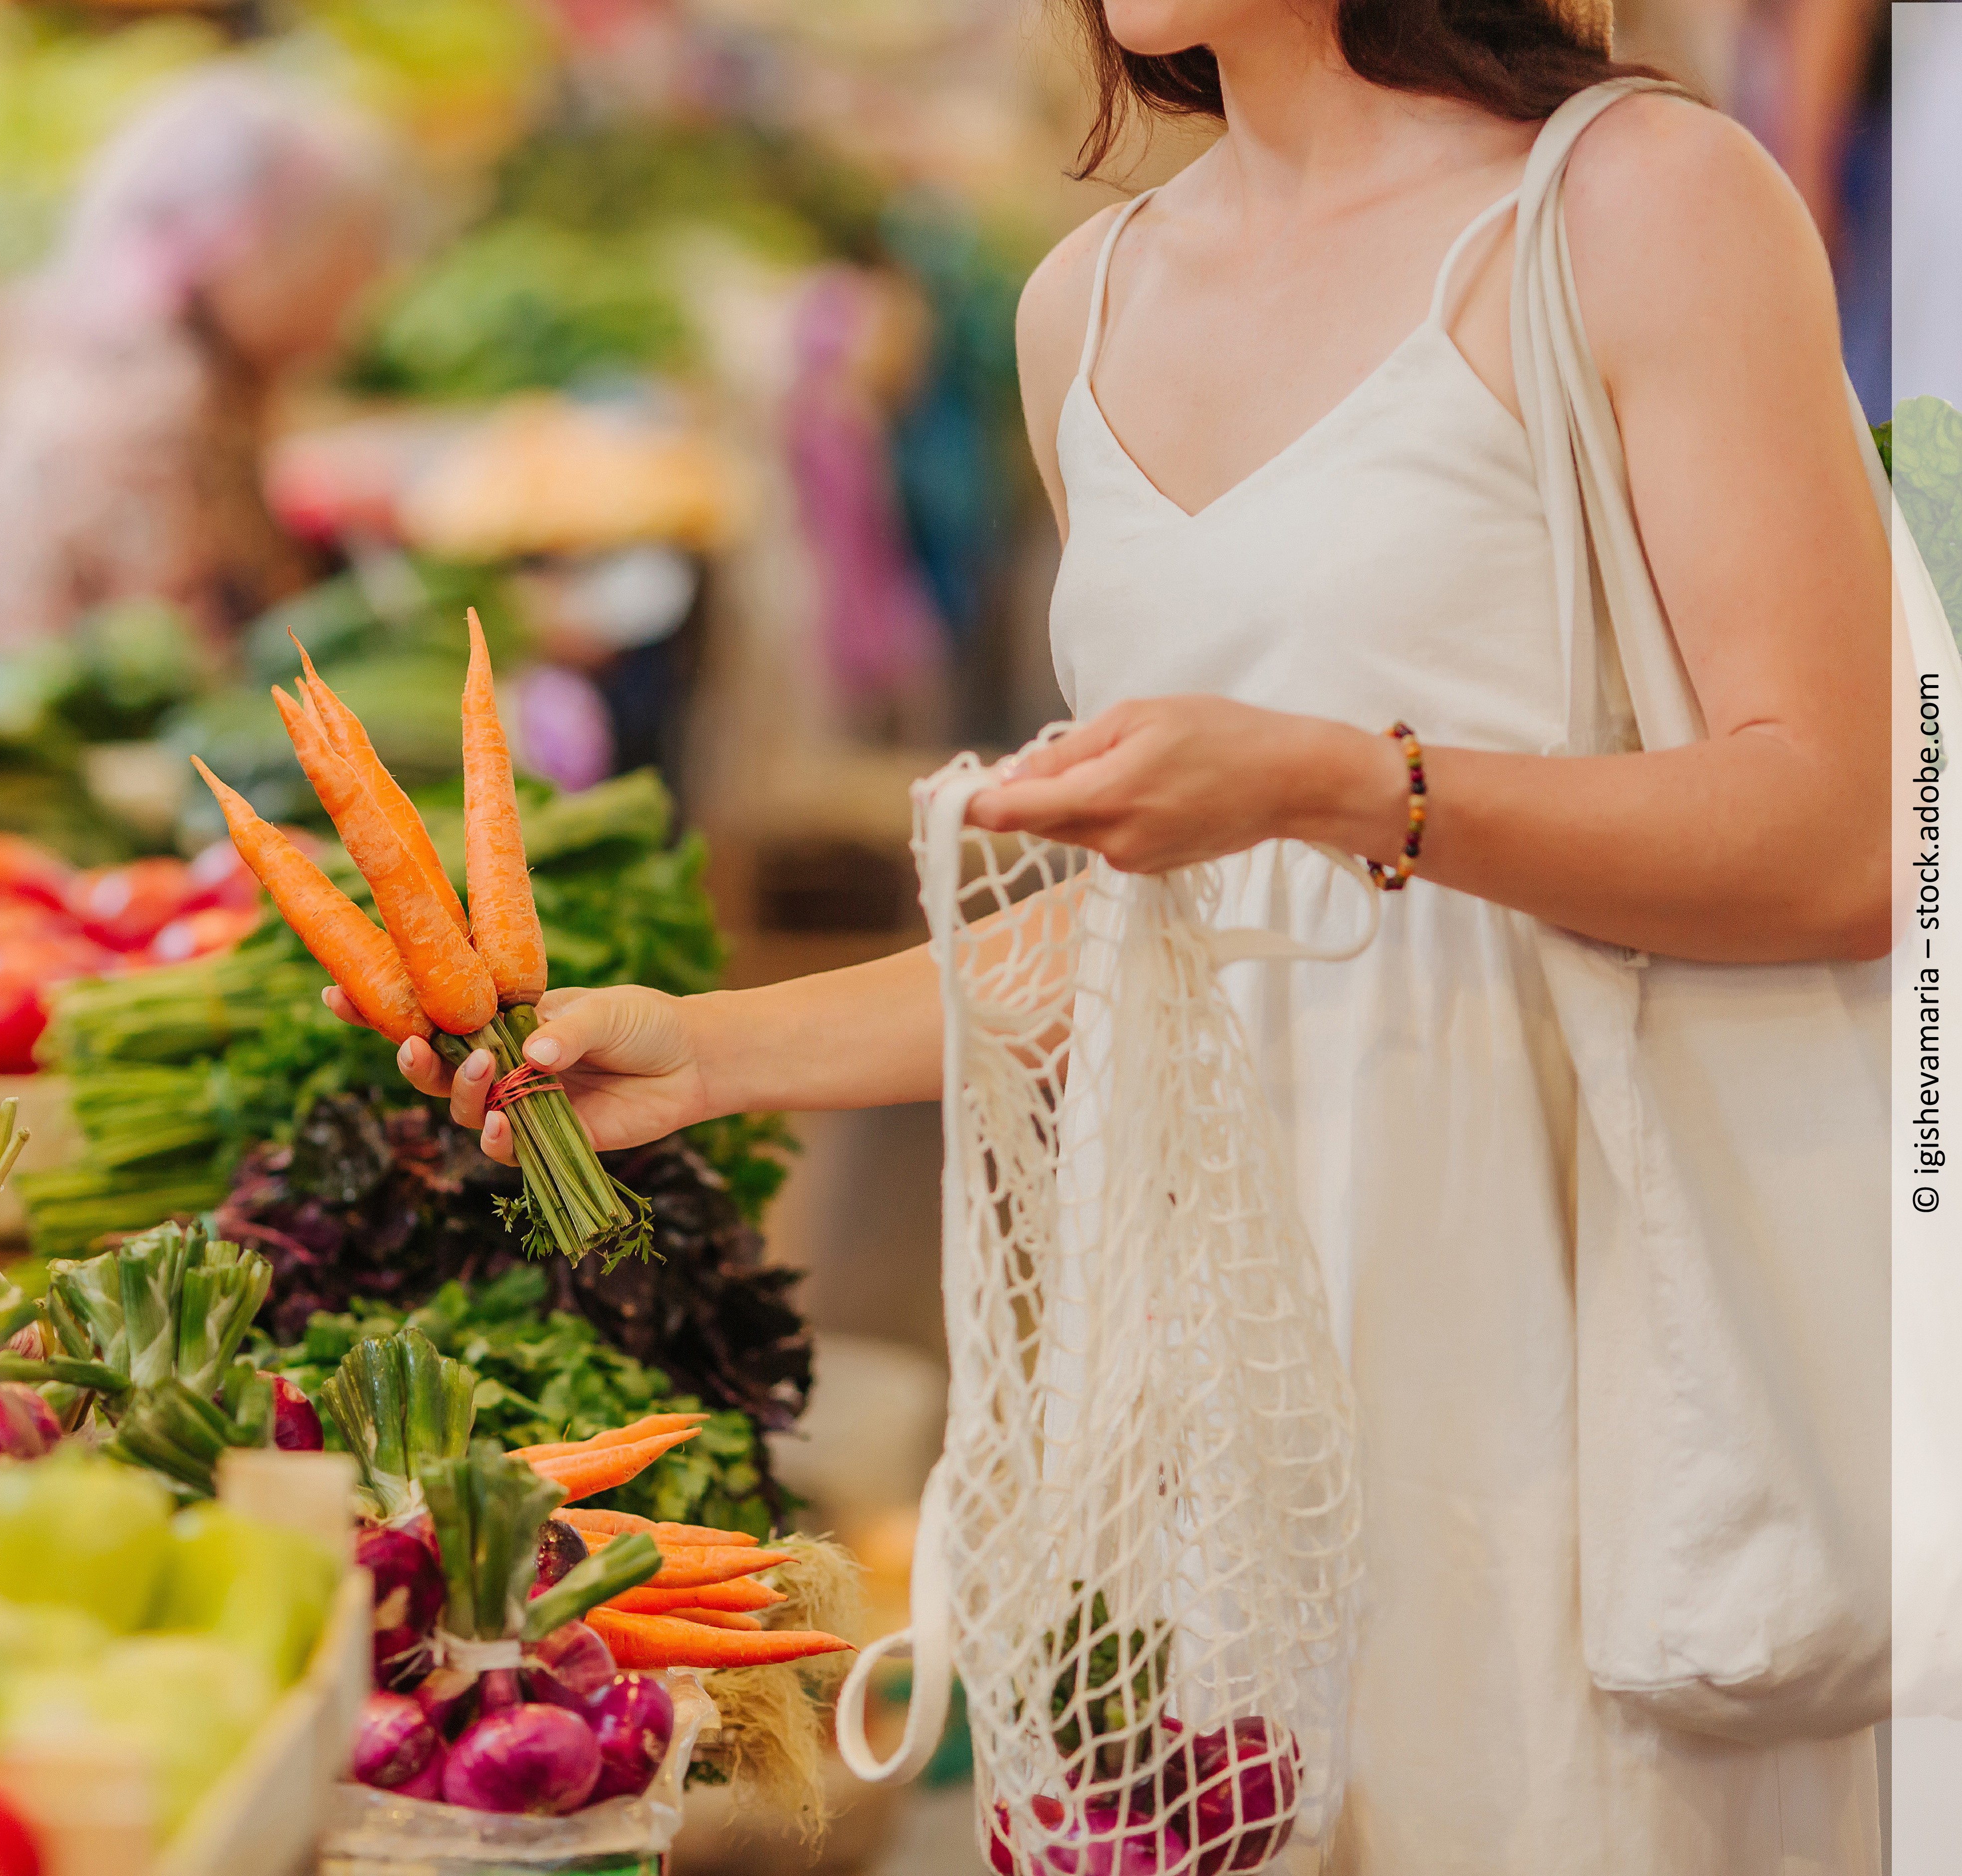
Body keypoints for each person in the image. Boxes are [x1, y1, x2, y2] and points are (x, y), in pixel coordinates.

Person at [332, 0, 1889, 1867]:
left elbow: (1842, 832)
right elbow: (1163, 925)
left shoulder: (1634, 203)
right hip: (1216, 1372)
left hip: (1571, 1329)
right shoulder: (1085, 302)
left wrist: (1337, 784)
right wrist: (715, 1046)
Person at [0, 66, 395, 652]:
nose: (360, 295)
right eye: (343, 256)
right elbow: (192, 652)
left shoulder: (159, 363)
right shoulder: (151, 405)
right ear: (252, 245)